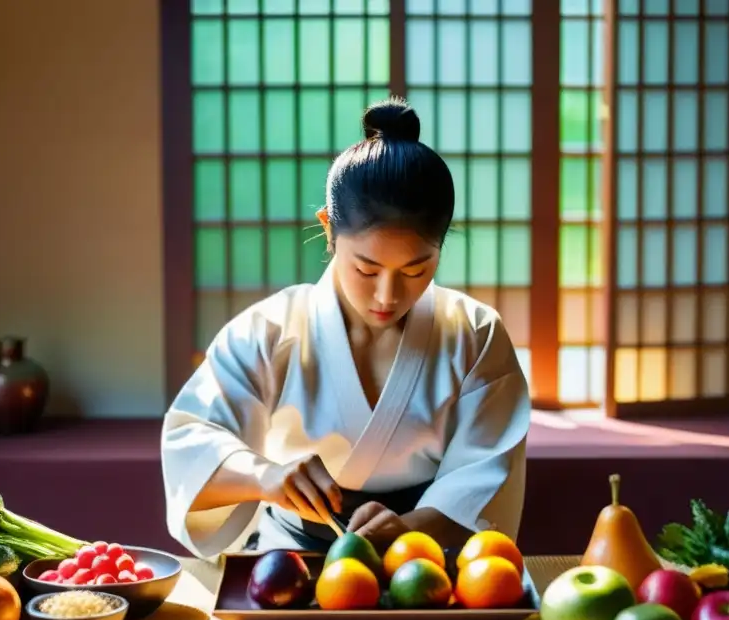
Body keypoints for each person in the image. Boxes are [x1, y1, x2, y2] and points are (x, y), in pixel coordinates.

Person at [161, 96, 531, 558]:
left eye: (416, 271)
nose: (387, 296)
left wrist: (407, 529)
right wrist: (267, 476)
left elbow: (486, 474)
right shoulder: (268, 330)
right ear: (328, 229)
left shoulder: (475, 334)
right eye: (367, 269)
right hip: (289, 554)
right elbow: (190, 443)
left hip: (425, 553)